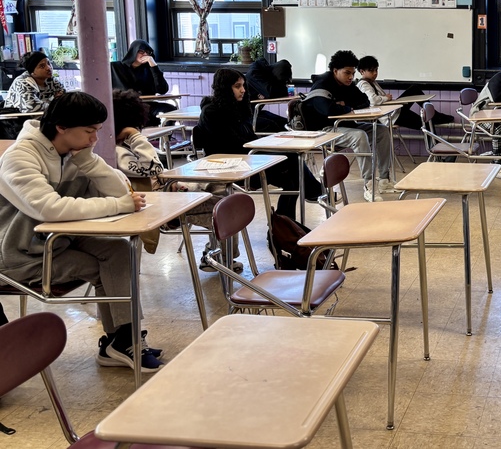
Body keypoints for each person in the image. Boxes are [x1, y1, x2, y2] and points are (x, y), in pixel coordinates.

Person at [0, 92, 164, 372]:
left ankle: (122, 337)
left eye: (97, 131)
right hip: (20, 256)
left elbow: (122, 190)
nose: (94, 139)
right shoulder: (20, 157)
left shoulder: (73, 153)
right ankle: (121, 340)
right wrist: (117, 204)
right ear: (61, 127)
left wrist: (88, 161)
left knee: (118, 250)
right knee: (104, 267)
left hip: (58, 243)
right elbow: (49, 209)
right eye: (89, 131)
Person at [197, 69, 322, 223]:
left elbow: (249, 141)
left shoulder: (238, 108)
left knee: (293, 179)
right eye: (237, 86)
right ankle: (315, 191)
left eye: (243, 85)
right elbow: (234, 147)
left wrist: (269, 145)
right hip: (232, 167)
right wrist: (265, 150)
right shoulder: (211, 113)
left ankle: (282, 227)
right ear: (224, 87)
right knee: (291, 158)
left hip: (249, 161)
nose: (243, 90)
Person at [303, 50, 394, 203]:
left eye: (352, 73)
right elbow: (327, 110)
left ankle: (384, 180)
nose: (351, 77)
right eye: (347, 73)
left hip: (346, 126)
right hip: (325, 130)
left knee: (382, 131)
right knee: (359, 136)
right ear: (335, 71)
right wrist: (346, 107)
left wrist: (344, 105)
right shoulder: (322, 84)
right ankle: (369, 185)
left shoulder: (348, 84)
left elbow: (365, 101)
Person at [355, 54, 453, 130]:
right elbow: (373, 101)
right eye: (372, 71)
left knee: (414, 89)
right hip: (390, 117)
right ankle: (436, 153)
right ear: (362, 71)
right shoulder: (364, 84)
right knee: (427, 124)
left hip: (393, 110)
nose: (375, 73)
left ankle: (435, 115)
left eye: (376, 70)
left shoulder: (371, 81)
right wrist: (386, 98)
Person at [110, 40, 171, 125]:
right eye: (141, 51)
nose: (145, 55)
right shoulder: (115, 67)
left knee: (170, 110)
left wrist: (154, 66)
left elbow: (162, 89)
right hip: (126, 106)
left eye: (148, 52)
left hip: (147, 104)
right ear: (133, 51)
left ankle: (166, 137)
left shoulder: (149, 70)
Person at [245, 58, 292, 132]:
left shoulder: (267, 76)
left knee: (286, 123)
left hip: (255, 113)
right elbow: (270, 92)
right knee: (274, 126)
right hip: (243, 117)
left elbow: (274, 91)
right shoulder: (254, 74)